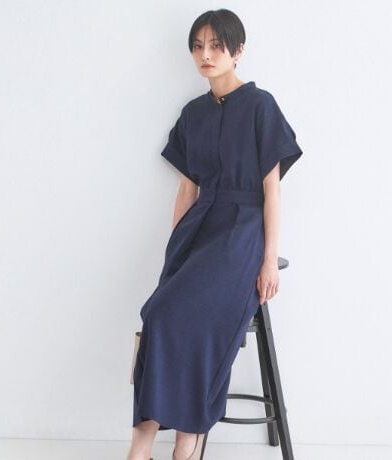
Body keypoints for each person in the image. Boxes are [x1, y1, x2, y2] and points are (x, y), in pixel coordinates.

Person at [127, 8, 303, 460]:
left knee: (193, 322)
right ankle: (140, 447)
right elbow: (187, 190)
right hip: (199, 228)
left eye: (216, 46)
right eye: (198, 46)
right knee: (159, 315)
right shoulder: (194, 113)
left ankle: (187, 441)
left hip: (242, 232)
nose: (205, 54)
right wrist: (174, 254)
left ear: (238, 51)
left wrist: (269, 259)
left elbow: (272, 191)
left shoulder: (261, 106)